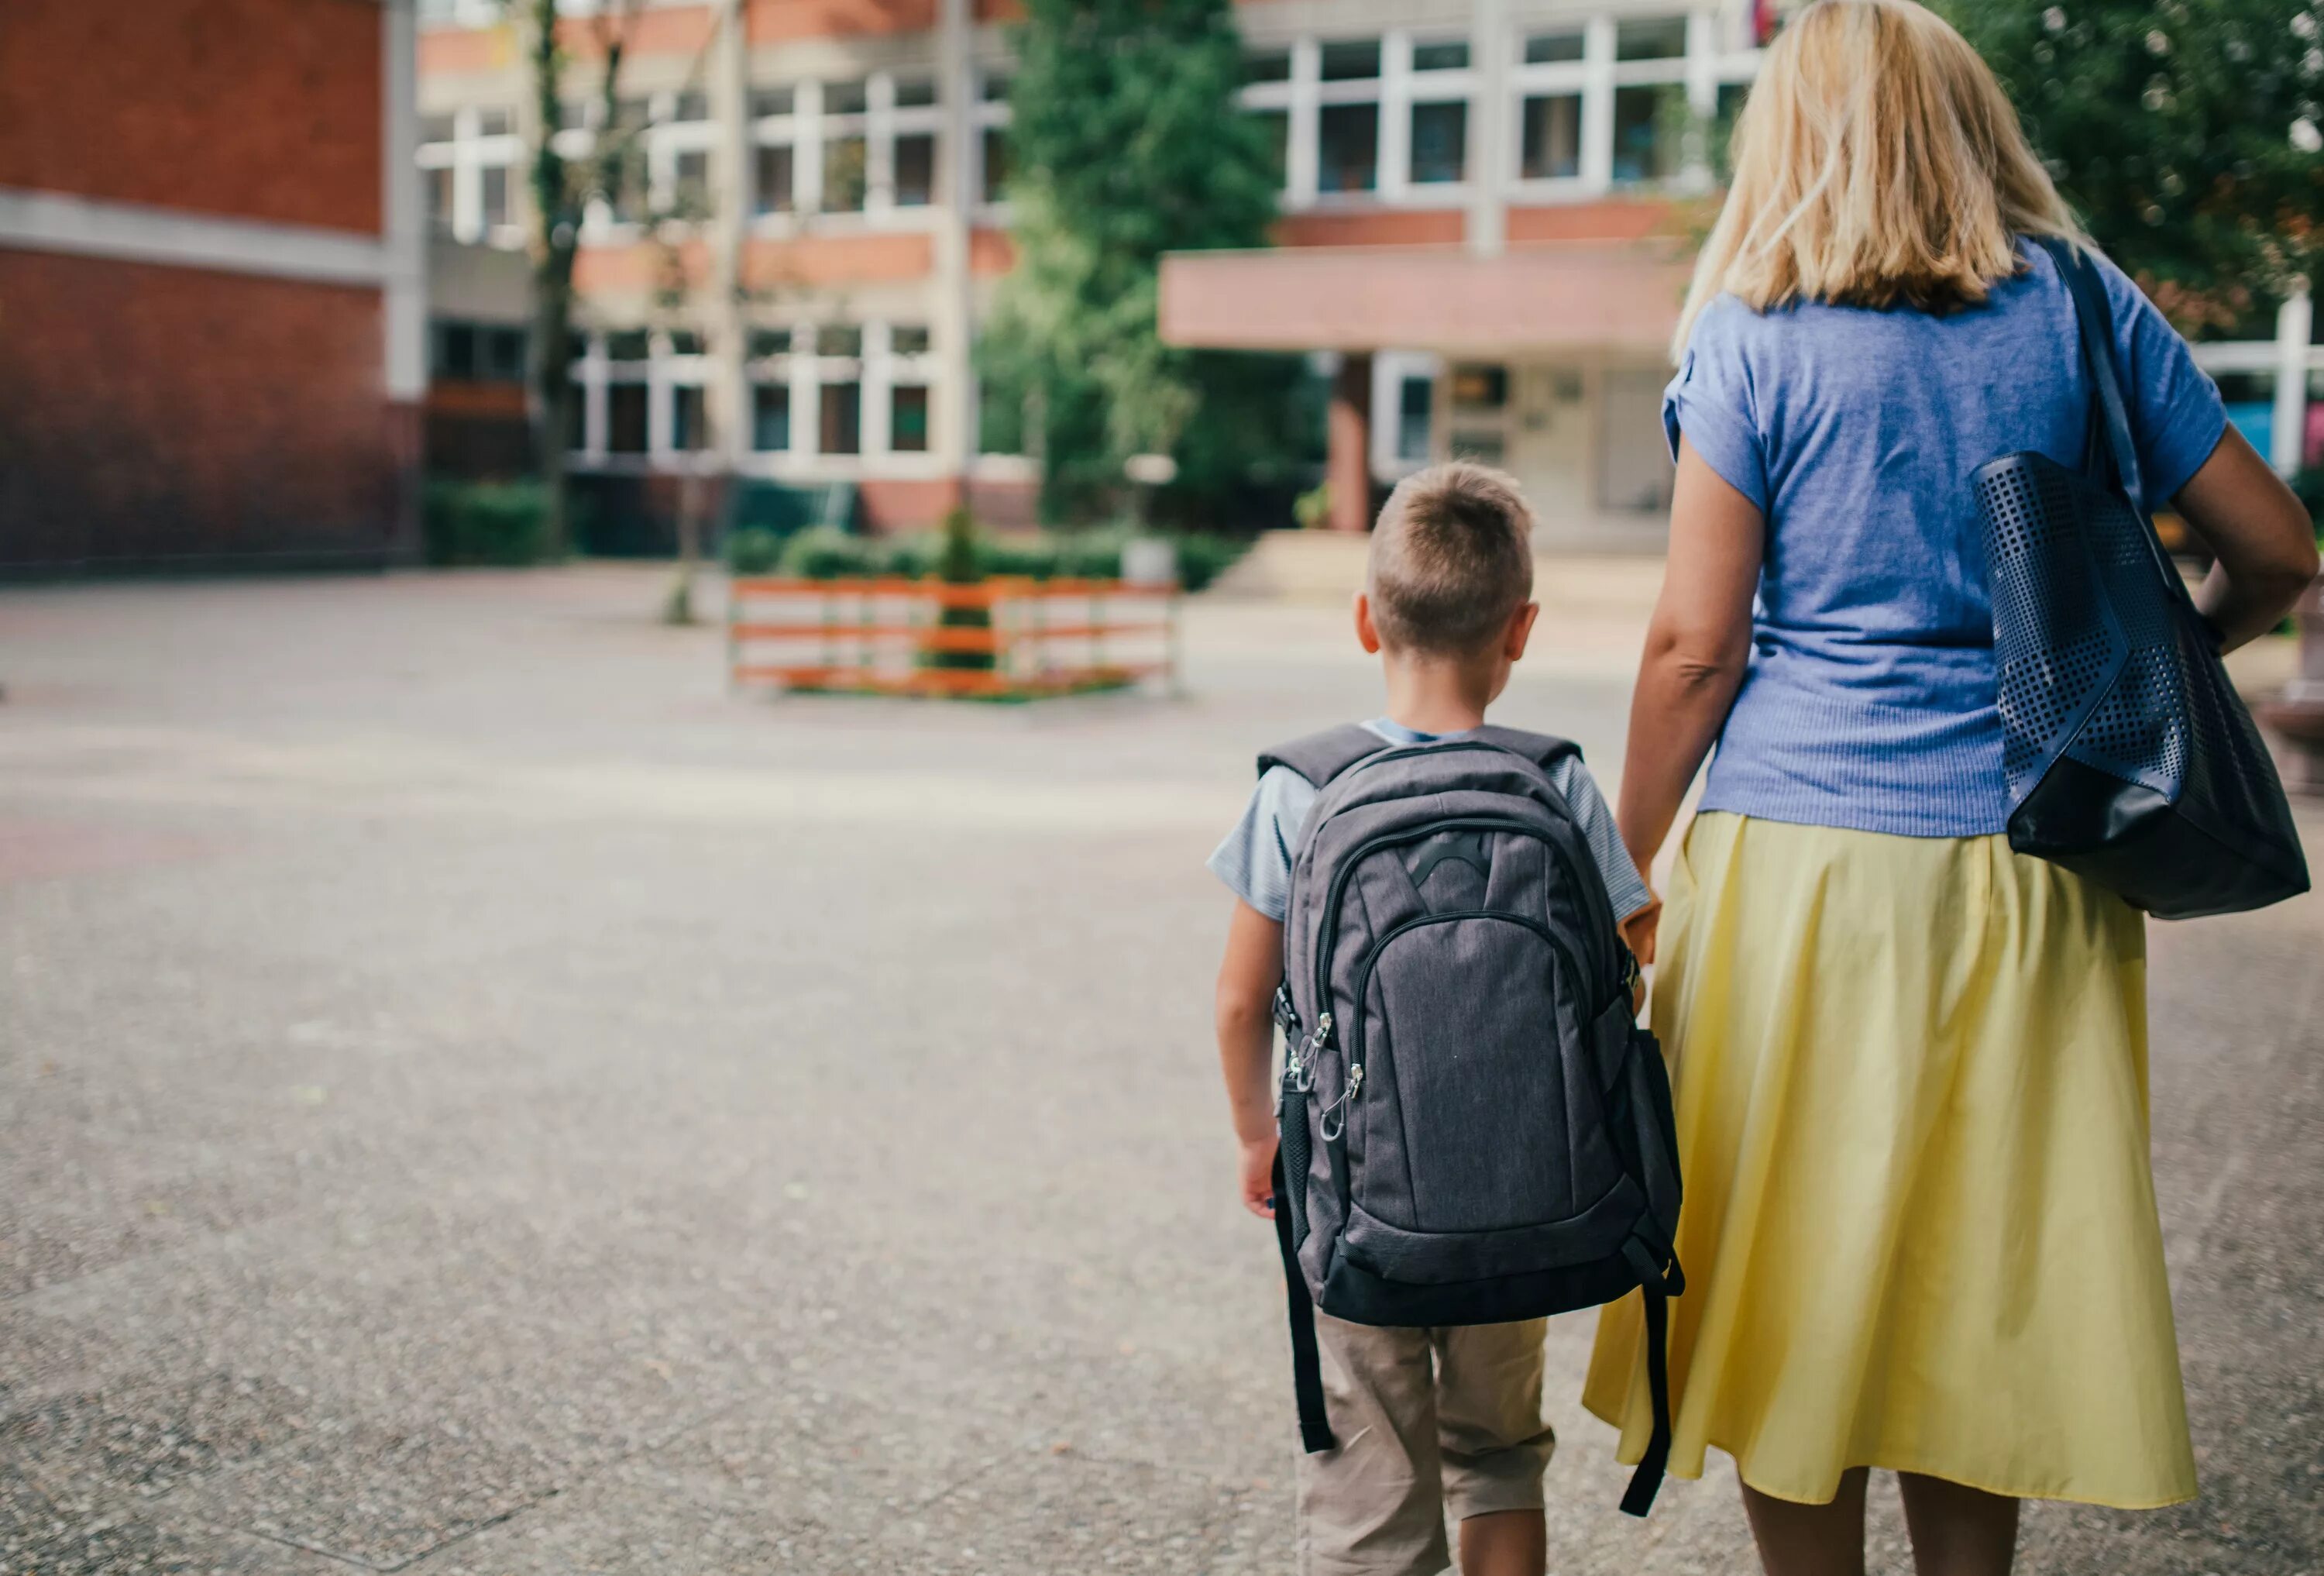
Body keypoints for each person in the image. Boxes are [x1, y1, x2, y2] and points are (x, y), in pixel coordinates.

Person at [1580, 4, 2320, 1574]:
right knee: (1975, 1293)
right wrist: (2143, 665)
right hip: (2033, 865)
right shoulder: (2079, 305)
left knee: (1800, 1291)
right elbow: (2279, 552)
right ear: (1973, 125)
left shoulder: (1749, 334)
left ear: (1792, 140)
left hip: (1804, 879)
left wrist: (1617, 867)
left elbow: (1694, 650)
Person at [1209, 462, 1656, 1576]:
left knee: (1369, 1477)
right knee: (1500, 1452)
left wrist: (1257, 1132)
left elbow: (1237, 999)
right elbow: (1628, 962)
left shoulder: (1297, 789)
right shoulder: (1557, 782)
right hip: (1525, 1193)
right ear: (1523, 630)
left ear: (1366, 619)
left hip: (1356, 1202)